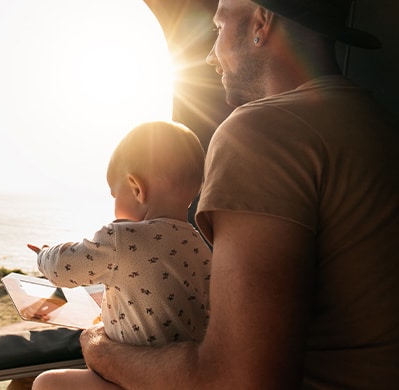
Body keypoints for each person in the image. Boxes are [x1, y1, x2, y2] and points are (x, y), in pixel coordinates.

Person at [78, 0, 399, 388]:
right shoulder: (378, 123)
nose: (212, 57)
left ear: (260, 22)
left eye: (217, 29)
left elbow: (235, 381)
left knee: (49, 383)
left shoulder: (261, 130)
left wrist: (99, 347)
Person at [28, 121, 212, 389]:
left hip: (133, 376)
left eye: (115, 195)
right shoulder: (199, 245)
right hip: (181, 378)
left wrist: (44, 254)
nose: (114, 204)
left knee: (48, 383)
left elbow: (61, 268)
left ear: (136, 188)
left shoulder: (121, 238)